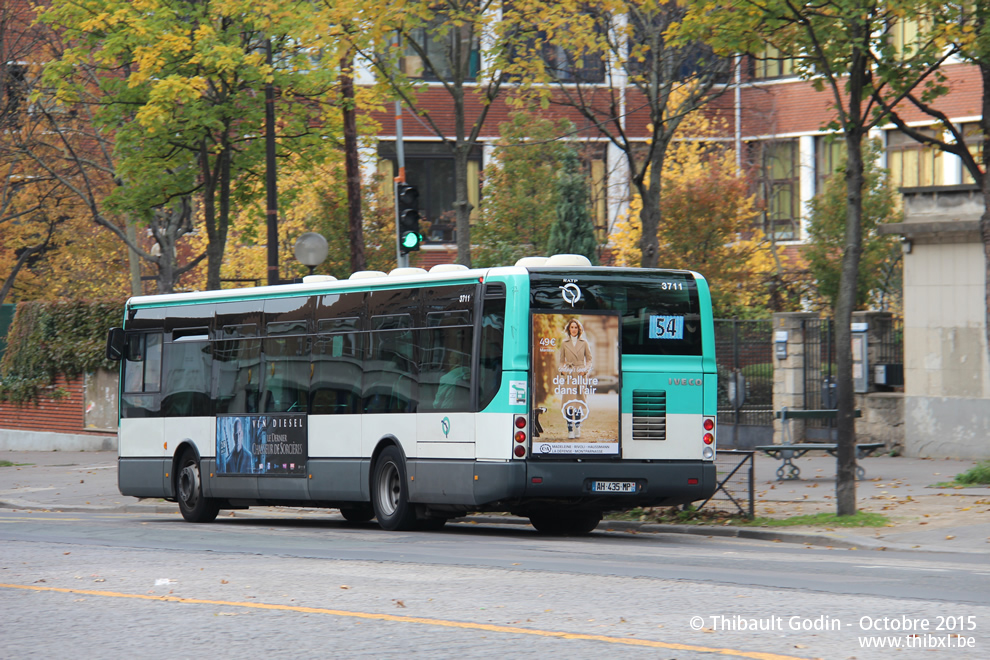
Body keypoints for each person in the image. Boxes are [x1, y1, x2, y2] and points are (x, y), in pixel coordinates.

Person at [557, 318, 593, 439]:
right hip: (569, 374)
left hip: (580, 374)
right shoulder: (564, 343)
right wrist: (562, 370)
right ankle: (570, 429)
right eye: (572, 327)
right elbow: (561, 361)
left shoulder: (584, 342)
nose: (573, 329)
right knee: (568, 403)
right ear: (569, 329)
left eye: (575, 327)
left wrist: (585, 370)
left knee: (578, 402)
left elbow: (589, 359)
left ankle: (577, 426)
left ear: (579, 329)